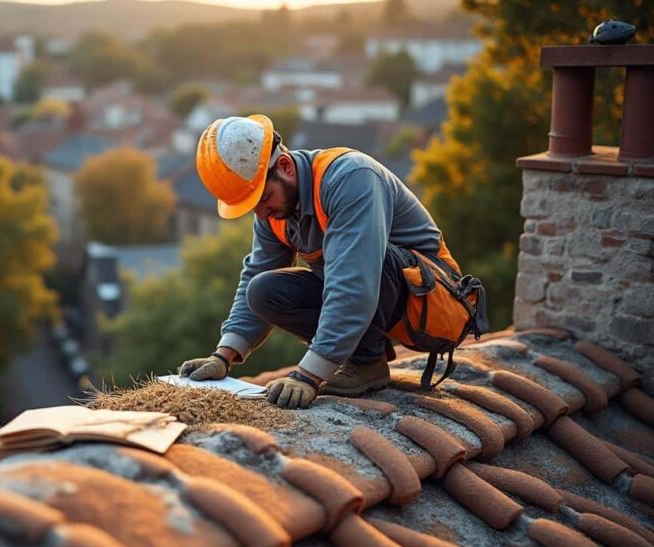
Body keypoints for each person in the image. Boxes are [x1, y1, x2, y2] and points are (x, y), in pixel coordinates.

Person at [178, 114, 465, 409]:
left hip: (431, 301)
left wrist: (309, 375)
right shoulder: (275, 210)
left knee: (358, 262)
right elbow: (256, 273)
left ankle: (365, 361)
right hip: (370, 296)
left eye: (263, 200)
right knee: (263, 290)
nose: (262, 214)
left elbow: (353, 283)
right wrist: (224, 355)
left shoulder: (351, 178)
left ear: (285, 167)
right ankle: (365, 359)